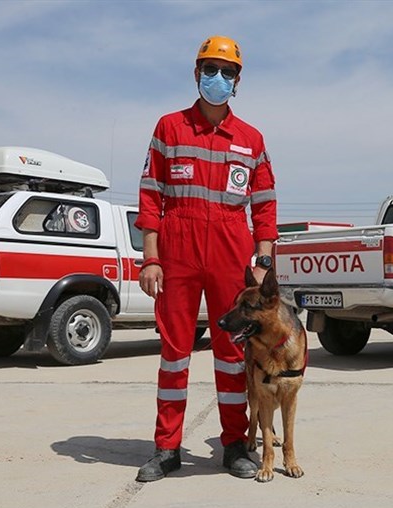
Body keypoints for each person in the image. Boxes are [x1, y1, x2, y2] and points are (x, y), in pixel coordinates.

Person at [134, 35, 278, 481]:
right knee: (174, 353)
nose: (218, 78)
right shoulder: (169, 128)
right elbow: (151, 196)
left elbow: (266, 204)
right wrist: (151, 260)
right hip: (177, 250)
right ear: (197, 74)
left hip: (231, 253)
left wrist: (263, 261)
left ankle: (234, 445)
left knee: (232, 354)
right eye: (210, 69)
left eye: (227, 71)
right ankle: (166, 448)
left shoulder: (251, 139)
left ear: (237, 81)